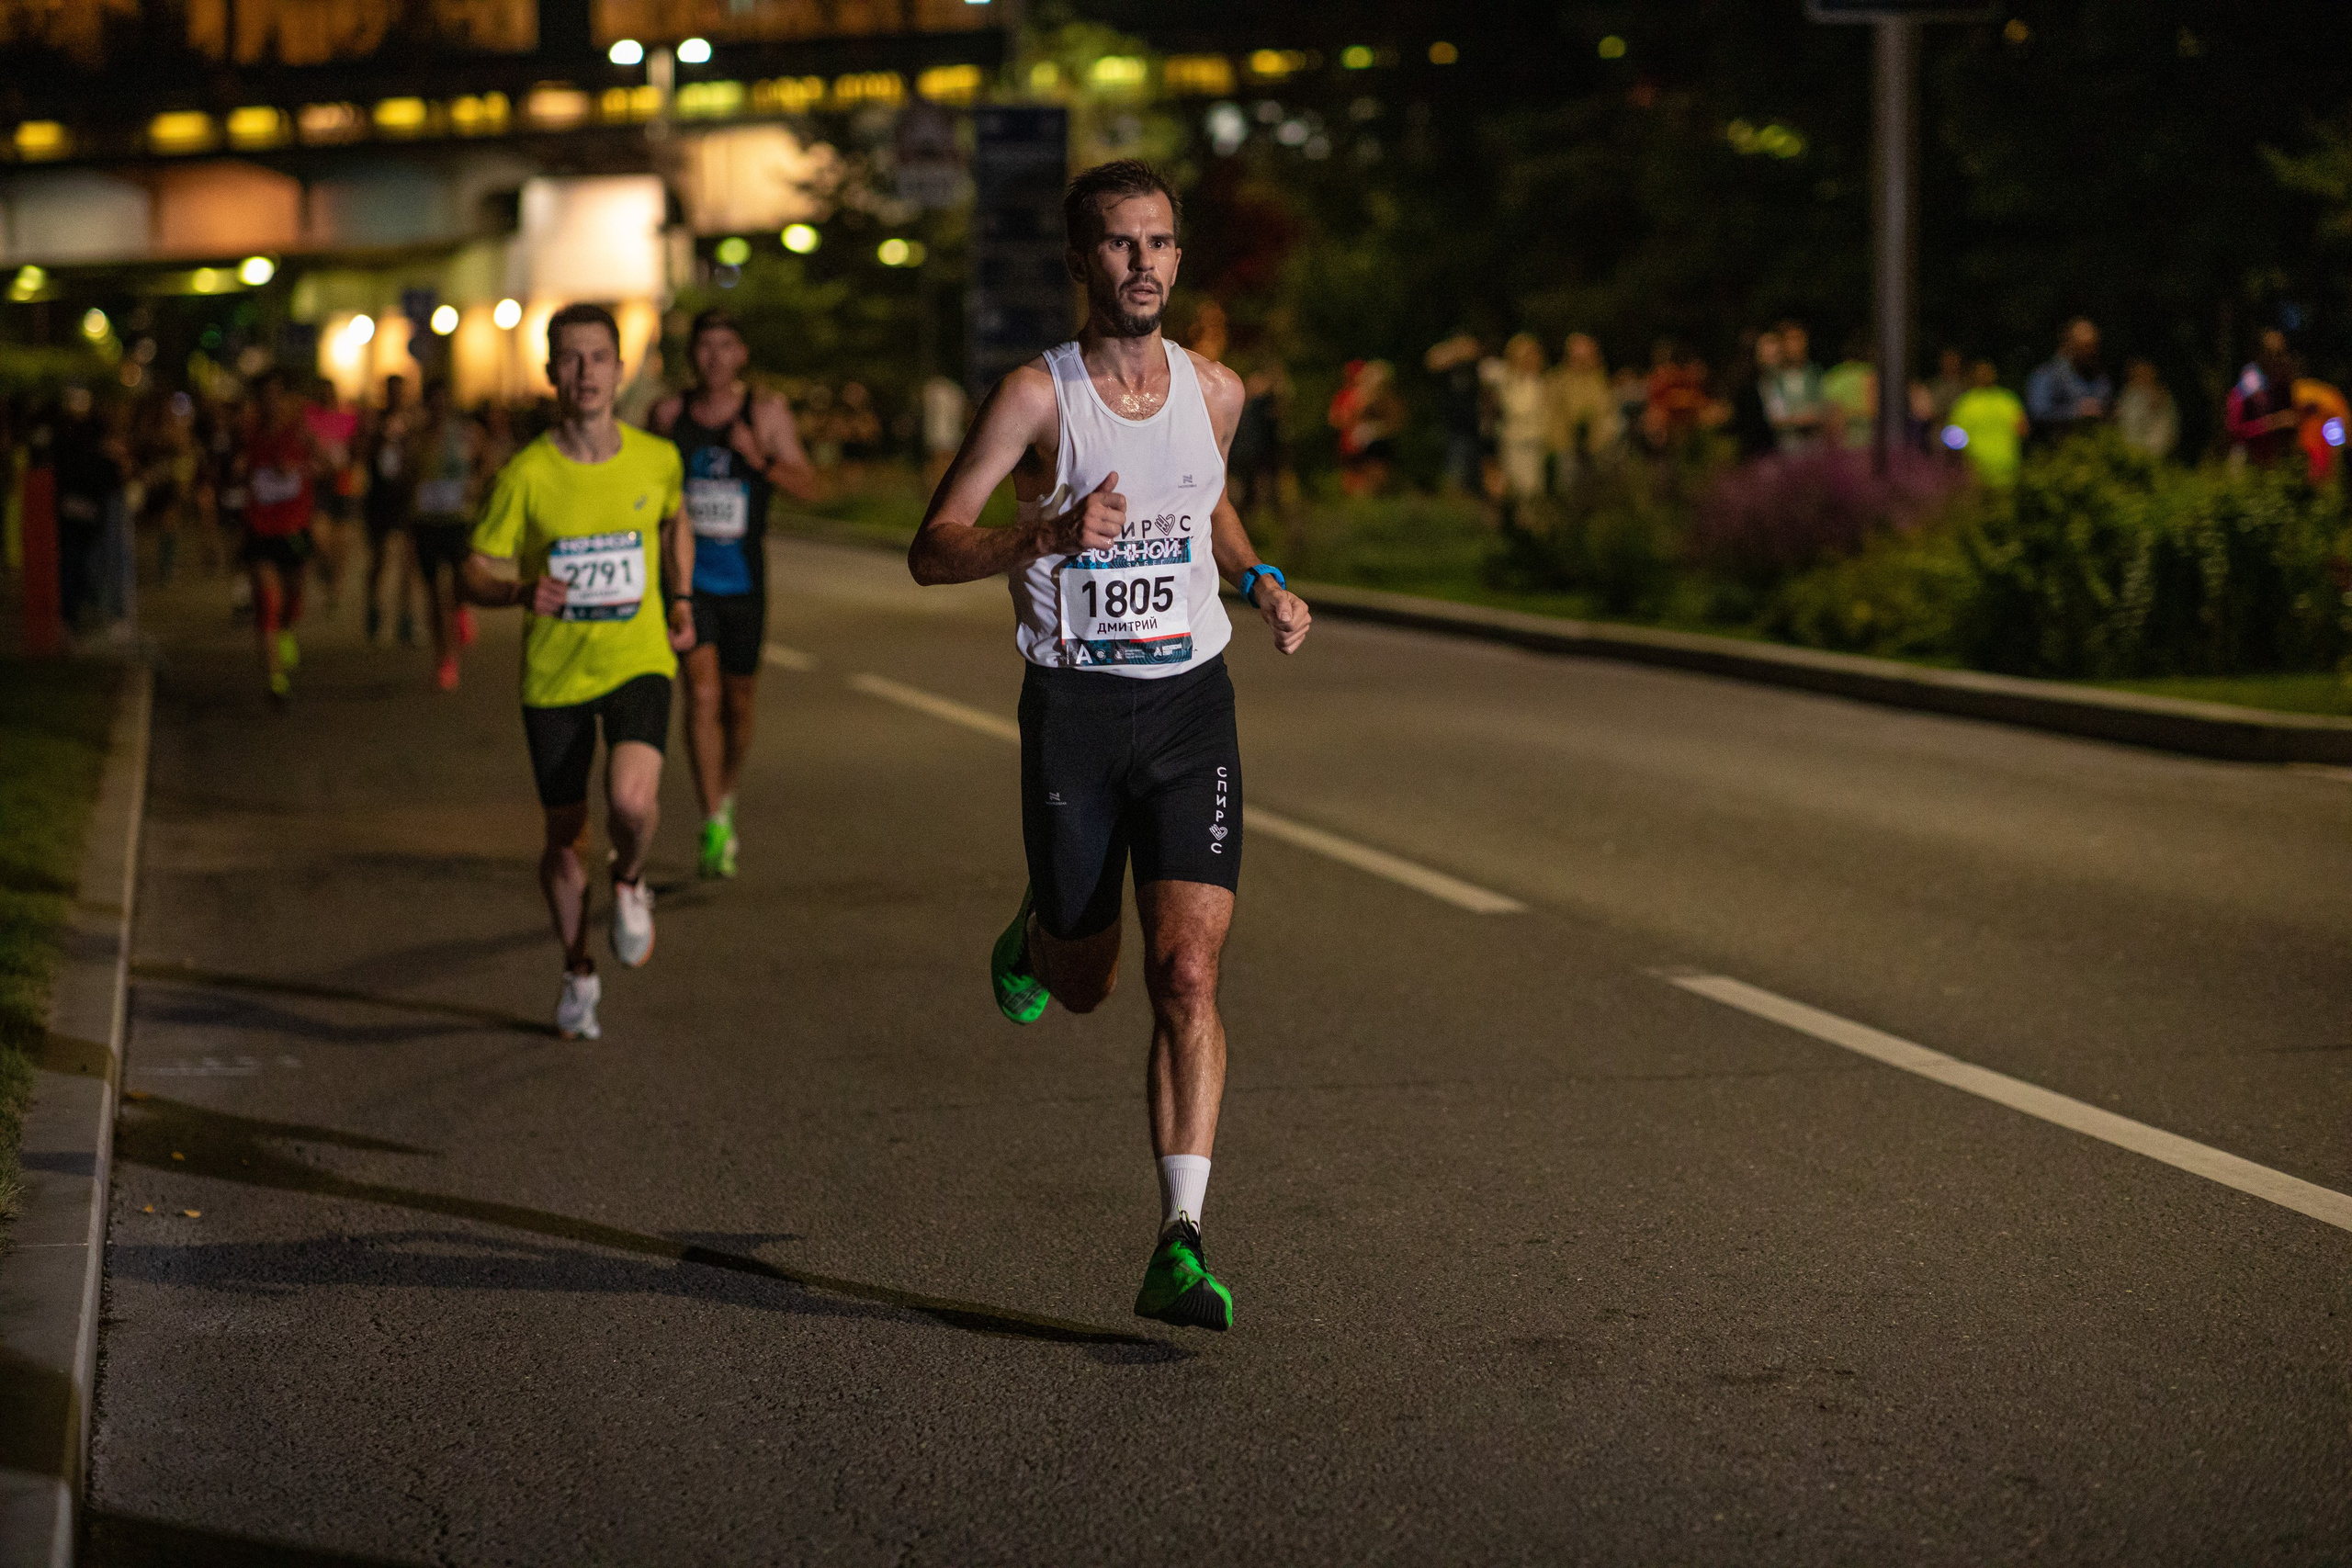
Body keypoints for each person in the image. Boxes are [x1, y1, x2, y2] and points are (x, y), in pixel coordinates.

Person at [906, 159, 1312, 1333]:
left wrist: (1264, 581)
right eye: (1121, 245)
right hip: (1075, 714)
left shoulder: (1216, 391)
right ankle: (1036, 934)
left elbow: (1206, 502)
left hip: (1191, 706)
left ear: (1180, 258)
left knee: (1185, 971)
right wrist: (1039, 533)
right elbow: (932, 547)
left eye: (1161, 243)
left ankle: (1179, 1241)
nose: (1144, 264)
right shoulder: (1038, 398)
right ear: (1085, 262)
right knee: (1082, 982)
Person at [460, 304, 697, 1042]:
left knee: (631, 802)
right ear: (550, 372)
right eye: (569, 358)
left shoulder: (657, 457)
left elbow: (672, 517)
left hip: (637, 660)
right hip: (555, 675)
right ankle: (576, 969)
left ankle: (629, 879)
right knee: (564, 838)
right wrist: (516, 590)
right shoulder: (526, 475)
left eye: (598, 357)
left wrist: (680, 595)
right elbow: (472, 571)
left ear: (621, 370)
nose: (585, 371)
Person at [648, 309, 820, 879]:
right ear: (692, 354)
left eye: (726, 346)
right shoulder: (669, 414)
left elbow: (809, 486)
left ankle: (725, 792)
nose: (715, 357)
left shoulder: (764, 412)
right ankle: (713, 818)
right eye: (705, 346)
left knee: (738, 704)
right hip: (686, 582)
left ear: (741, 353)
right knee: (700, 695)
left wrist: (760, 459)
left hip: (744, 581)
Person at [237, 372, 327, 700]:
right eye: (265, 397)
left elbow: (327, 465)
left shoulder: (300, 434)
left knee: (293, 596)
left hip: (294, 528)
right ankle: (275, 678)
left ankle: (287, 630)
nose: (271, 403)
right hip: (260, 528)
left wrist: (302, 468)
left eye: (277, 395)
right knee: (267, 599)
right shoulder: (248, 434)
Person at [408, 380, 483, 692]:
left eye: (443, 402)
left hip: (456, 520)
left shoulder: (466, 434)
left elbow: (485, 460)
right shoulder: (416, 437)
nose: (439, 409)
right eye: (433, 402)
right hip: (426, 522)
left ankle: (460, 615)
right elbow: (405, 476)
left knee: (457, 585)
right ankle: (445, 659)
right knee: (433, 594)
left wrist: (475, 485)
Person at [360, 374, 419, 644]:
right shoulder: (374, 421)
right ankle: (373, 606)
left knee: (409, 560)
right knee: (380, 558)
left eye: (400, 391)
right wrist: (381, 436)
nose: (396, 396)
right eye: (392, 391)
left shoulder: (413, 422)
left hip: (405, 499)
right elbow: (363, 453)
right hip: (379, 498)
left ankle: (405, 616)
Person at [1545, 332, 1622, 483]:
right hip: (1567, 445)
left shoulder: (1599, 378)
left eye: (1589, 356)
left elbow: (1606, 408)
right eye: (1579, 357)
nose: (1584, 362)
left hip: (1597, 446)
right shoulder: (1557, 379)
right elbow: (1552, 414)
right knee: (1570, 484)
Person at [1485, 333, 1550, 502]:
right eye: (1525, 355)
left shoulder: (1539, 382)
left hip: (1534, 441)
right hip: (1512, 440)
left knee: (1532, 488)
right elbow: (1486, 368)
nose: (1530, 359)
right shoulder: (1507, 378)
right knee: (1513, 487)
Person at [2025, 317, 2111, 445]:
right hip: (2057, 455)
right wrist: (2076, 412)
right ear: (2068, 344)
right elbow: (2037, 413)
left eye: (2093, 346)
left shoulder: (2101, 378)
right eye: (2084, 346)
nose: (2089, 352)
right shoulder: (2047, 374)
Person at [1942, 361, 2028, 487]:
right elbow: (2023, 430)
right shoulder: (2007, 399)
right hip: (1991, 467)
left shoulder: (1966, 403)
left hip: (1997, 467)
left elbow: (1952, 439)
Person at [2224, 329, 2300, 468]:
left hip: (2274, 460)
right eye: (2271, 353)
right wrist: (2275, 422)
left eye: (2280, 353)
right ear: (2260, 354)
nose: (2277, 359)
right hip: (2247, 458)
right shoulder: (2250, 382)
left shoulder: (2282, 385)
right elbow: (2235, 429)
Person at [1764, 321, 1826, 450]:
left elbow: (1825, 408)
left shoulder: (1815, 374)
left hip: (1815, 448)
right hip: (1786, 448)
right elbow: (1774, 416)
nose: (1797, 345)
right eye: (1791, 340)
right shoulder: (1774, 379)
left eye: (1800, 339)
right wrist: (1802, 419)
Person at [2114, 358, 2179, 460]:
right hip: (2130, 453)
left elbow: (2167, 432)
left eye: (2144, 372)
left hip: (2153, 454)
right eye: (2137, 373)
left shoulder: (2161, 396)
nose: (2140, 377)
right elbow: (2123, 423)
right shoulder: (2129, 394)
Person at [921, 374, 971, 491]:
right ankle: (938, 490)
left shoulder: (933, 388)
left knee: (940, 463)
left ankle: (937, 489)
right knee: (942, 463)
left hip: (938, 433)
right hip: (946, 432)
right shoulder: (956, 391)